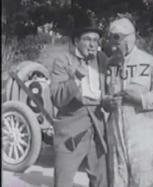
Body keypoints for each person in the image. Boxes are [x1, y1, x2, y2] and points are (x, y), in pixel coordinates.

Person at [102, 17, 153, 187]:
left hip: (141, 130)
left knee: (143, 177)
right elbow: (103, 94)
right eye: (111, 41)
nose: (113, 47)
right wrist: (106, 102)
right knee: (117, 176)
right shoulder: (110, 65)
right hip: (115, 130)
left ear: (129, 39)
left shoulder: (150, 63)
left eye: (117, 42)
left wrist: (140, 99)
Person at [50, 18, 108, 187]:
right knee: (63, 180)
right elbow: (57, 99)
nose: (92, 44)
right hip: (71, 126)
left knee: (102, 179)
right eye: (87, 39)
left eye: (96, 40)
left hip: (97, 125)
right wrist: (76, 77)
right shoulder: (63, 61)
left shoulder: (103, 59)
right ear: (76, 41)